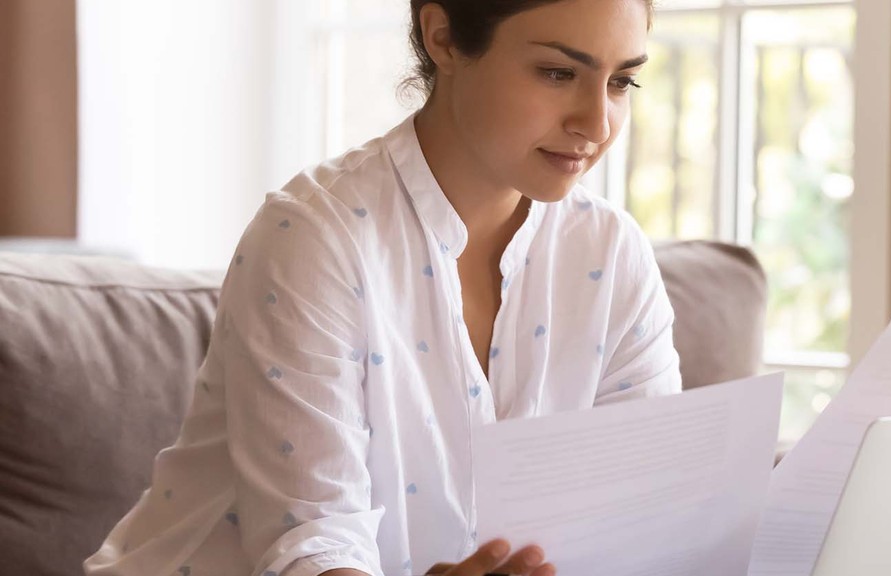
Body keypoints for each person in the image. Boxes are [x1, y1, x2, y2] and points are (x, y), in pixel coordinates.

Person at [83, 0, 680, 574]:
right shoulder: (314, 236)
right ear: (441, 37)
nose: (596, 123)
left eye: (622, 82)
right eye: (557, 72)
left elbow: (644, 519)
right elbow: (312, 543)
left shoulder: (612, 255)